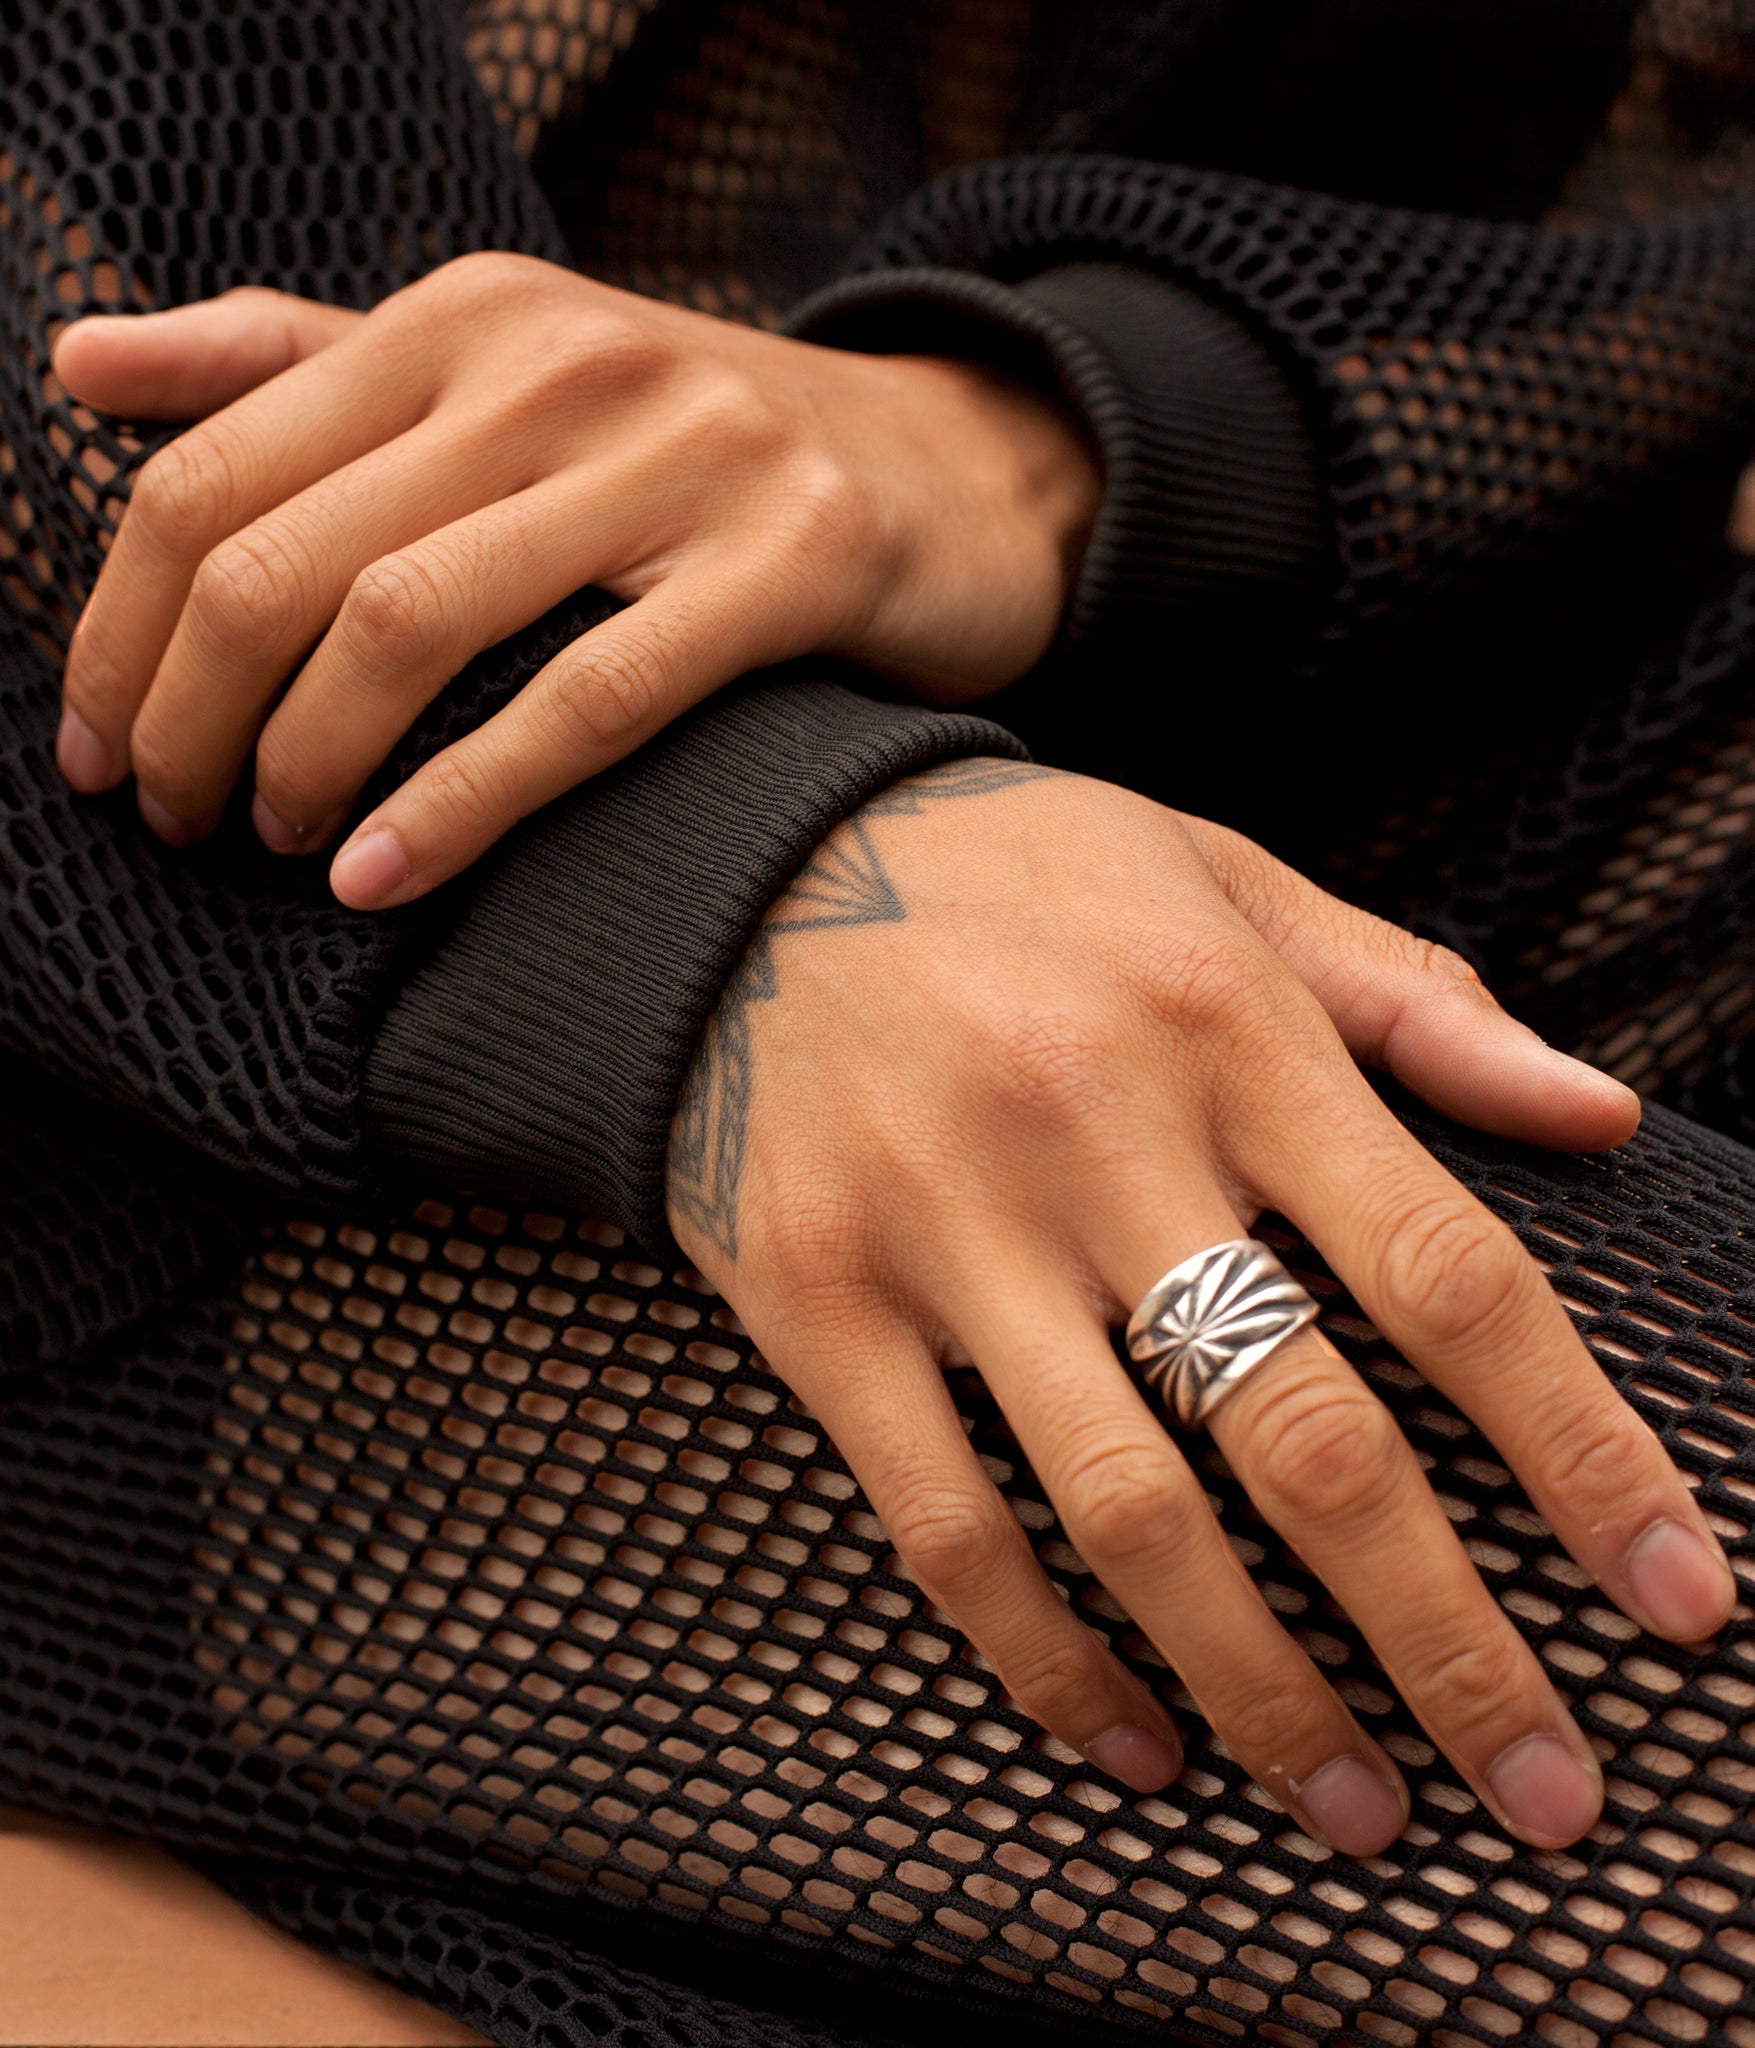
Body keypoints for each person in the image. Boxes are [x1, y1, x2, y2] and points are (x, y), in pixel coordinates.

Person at [0, 3, 1752, 2042]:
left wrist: (1027, 431)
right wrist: (727, 876)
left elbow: (1660, 206)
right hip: (221, 1007)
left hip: (1291, 648)